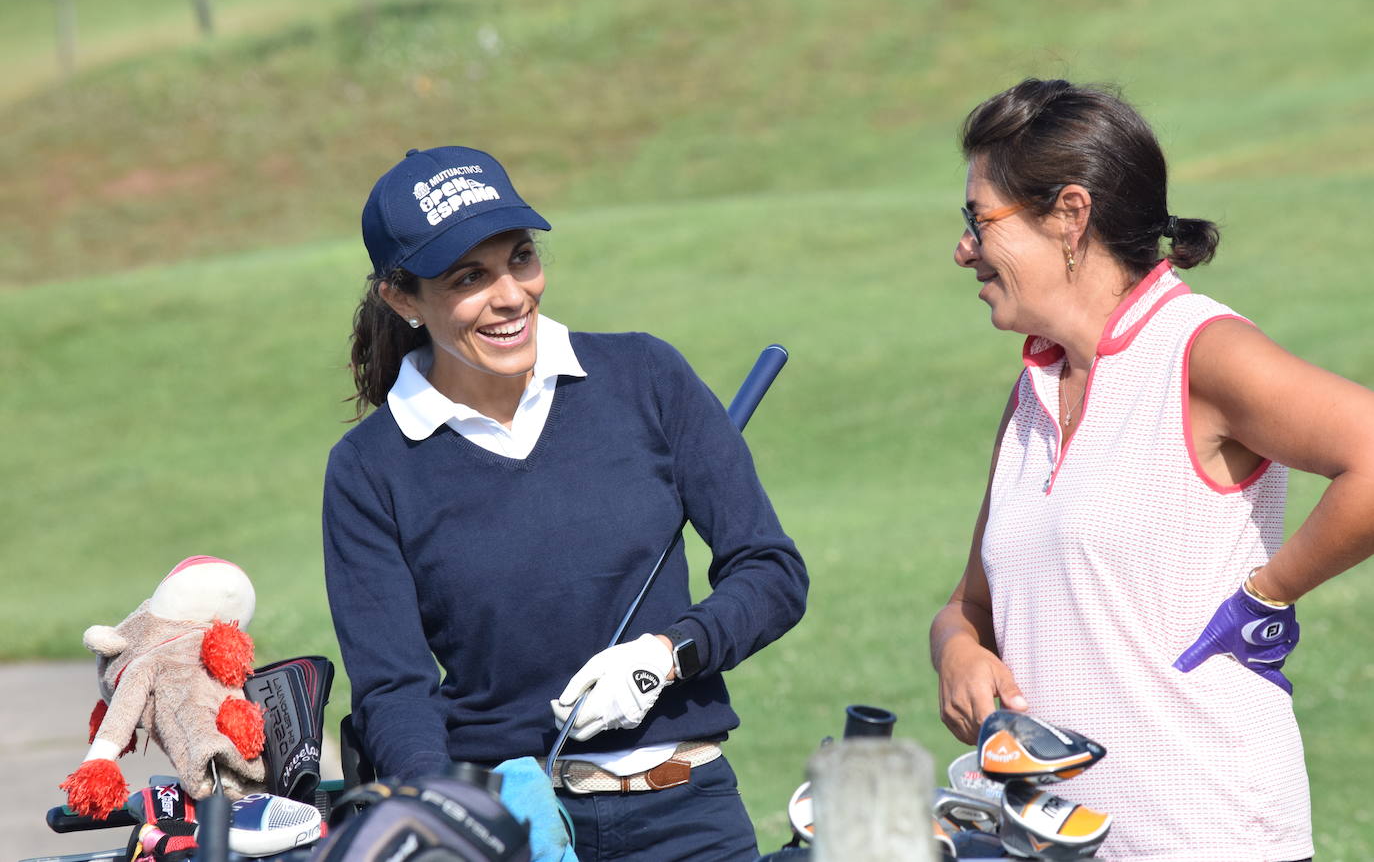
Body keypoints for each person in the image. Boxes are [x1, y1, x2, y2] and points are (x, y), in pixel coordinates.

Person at [928, 79, 1374, 860]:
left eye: (979, 218)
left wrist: (1268, 593)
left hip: (1209, 836)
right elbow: (970, 605)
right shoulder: (1033, 386)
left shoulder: (1199, 350)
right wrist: (959, 652)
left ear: (1070, 214)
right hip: (1049, 843)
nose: (963, 247)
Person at [322, 146, 807, 862]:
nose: (512, 294)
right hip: (511, 825)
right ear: (402, 298)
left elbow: (771, 573)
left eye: (520, 258)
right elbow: (395, 692)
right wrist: (447, 822)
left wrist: (663, 656)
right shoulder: (370, 468)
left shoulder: (646, 375)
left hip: (689, 815)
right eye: (469, 277)